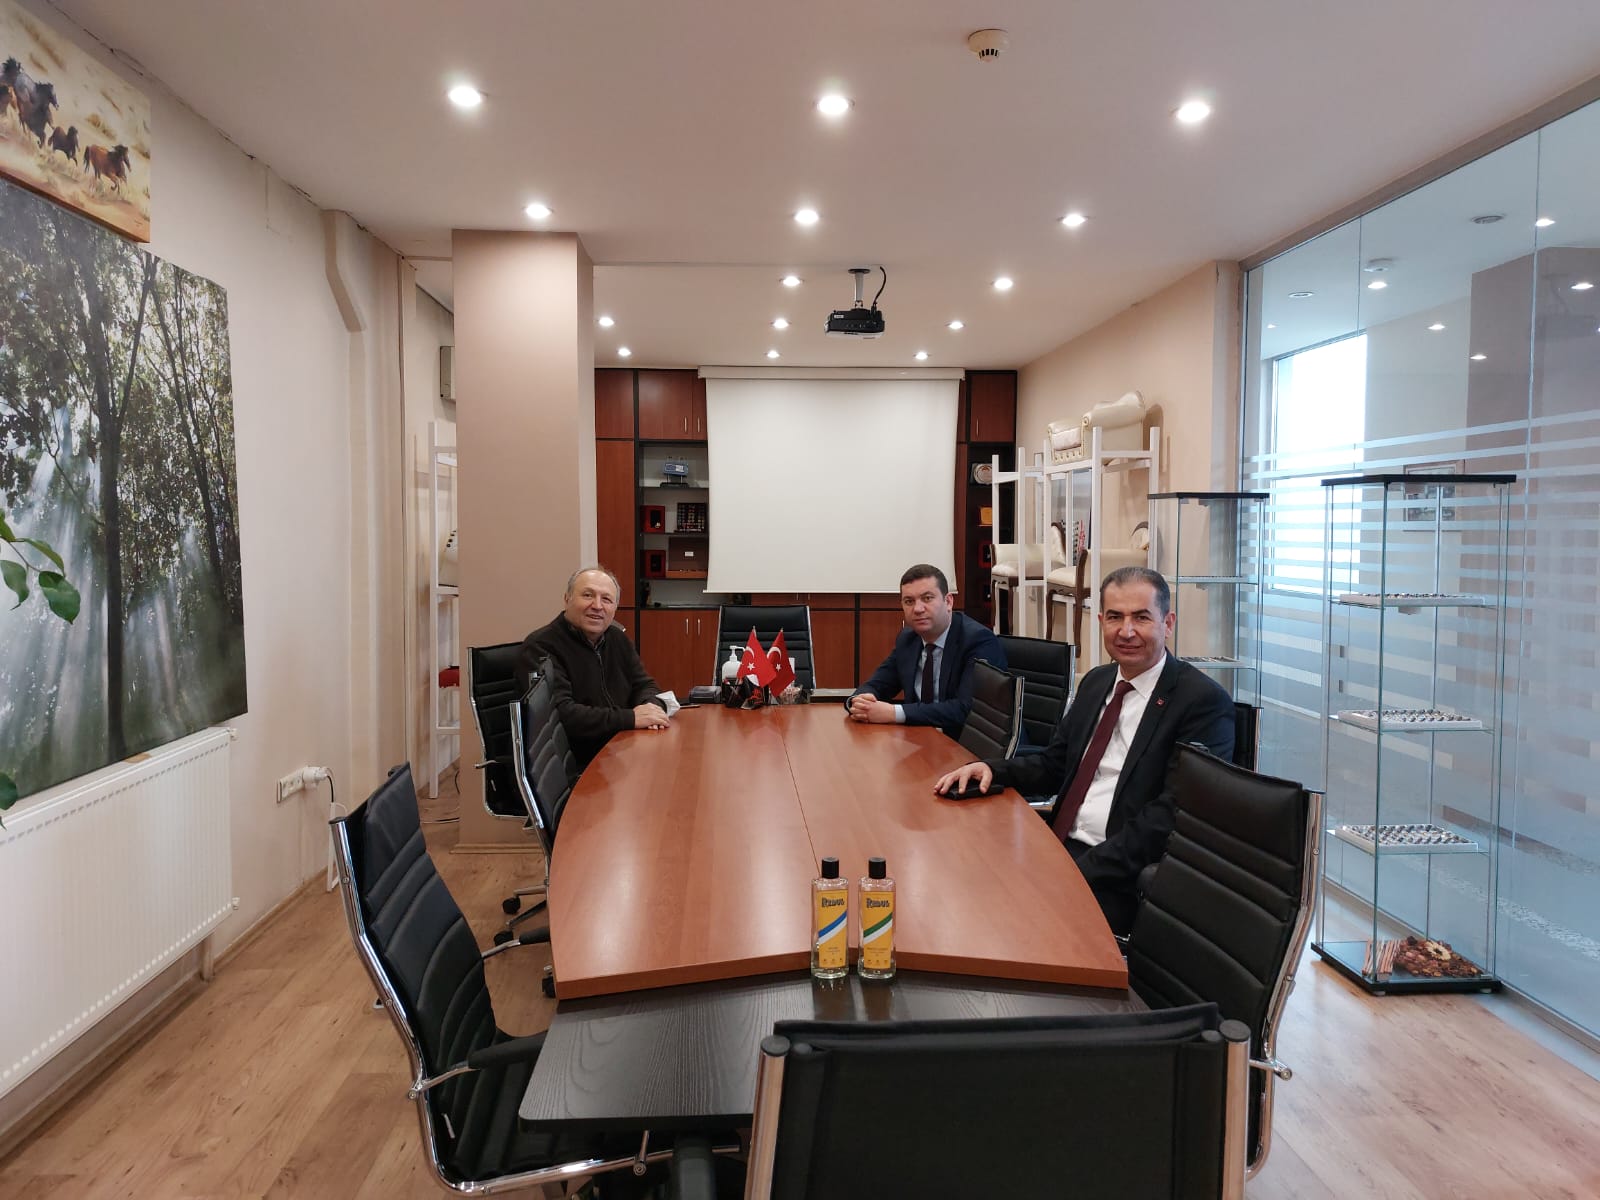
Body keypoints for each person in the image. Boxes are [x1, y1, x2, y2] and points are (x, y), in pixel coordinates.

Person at [934, 566, 1233, 935]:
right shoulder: (1097, 682)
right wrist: (994, 770)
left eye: (1141, 618)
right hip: (1059, 847)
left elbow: (1169, 818)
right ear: (1101, 622)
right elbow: (1054, 765)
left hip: (1120, 876)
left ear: (1167, 623)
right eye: (1115, 617)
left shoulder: (1201, 702)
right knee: (957, 881)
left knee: (1003, 926)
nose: (1126, 631)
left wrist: (1077, 872)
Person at [516, 566, 670, 768]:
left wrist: (651, 709)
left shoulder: (618, 639)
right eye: (588, 595)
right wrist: (631, 718)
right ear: (567, 599)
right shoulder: (541, 647)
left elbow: (644, 685)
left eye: (606, 599)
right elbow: (562, 715)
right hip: (576, 763)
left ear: (615, 607)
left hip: (623, 750)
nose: (597, 606)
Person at [848, 564, 1006, 738]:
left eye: (927, 598)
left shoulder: (978, 641)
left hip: (969, 745)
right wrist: (861, 701)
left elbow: (966, 710)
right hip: (922, 740)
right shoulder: (908, 639)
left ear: (948, 602)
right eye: (909, 601)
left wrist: (893, 713)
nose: (918, 609)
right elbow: (878, 684)